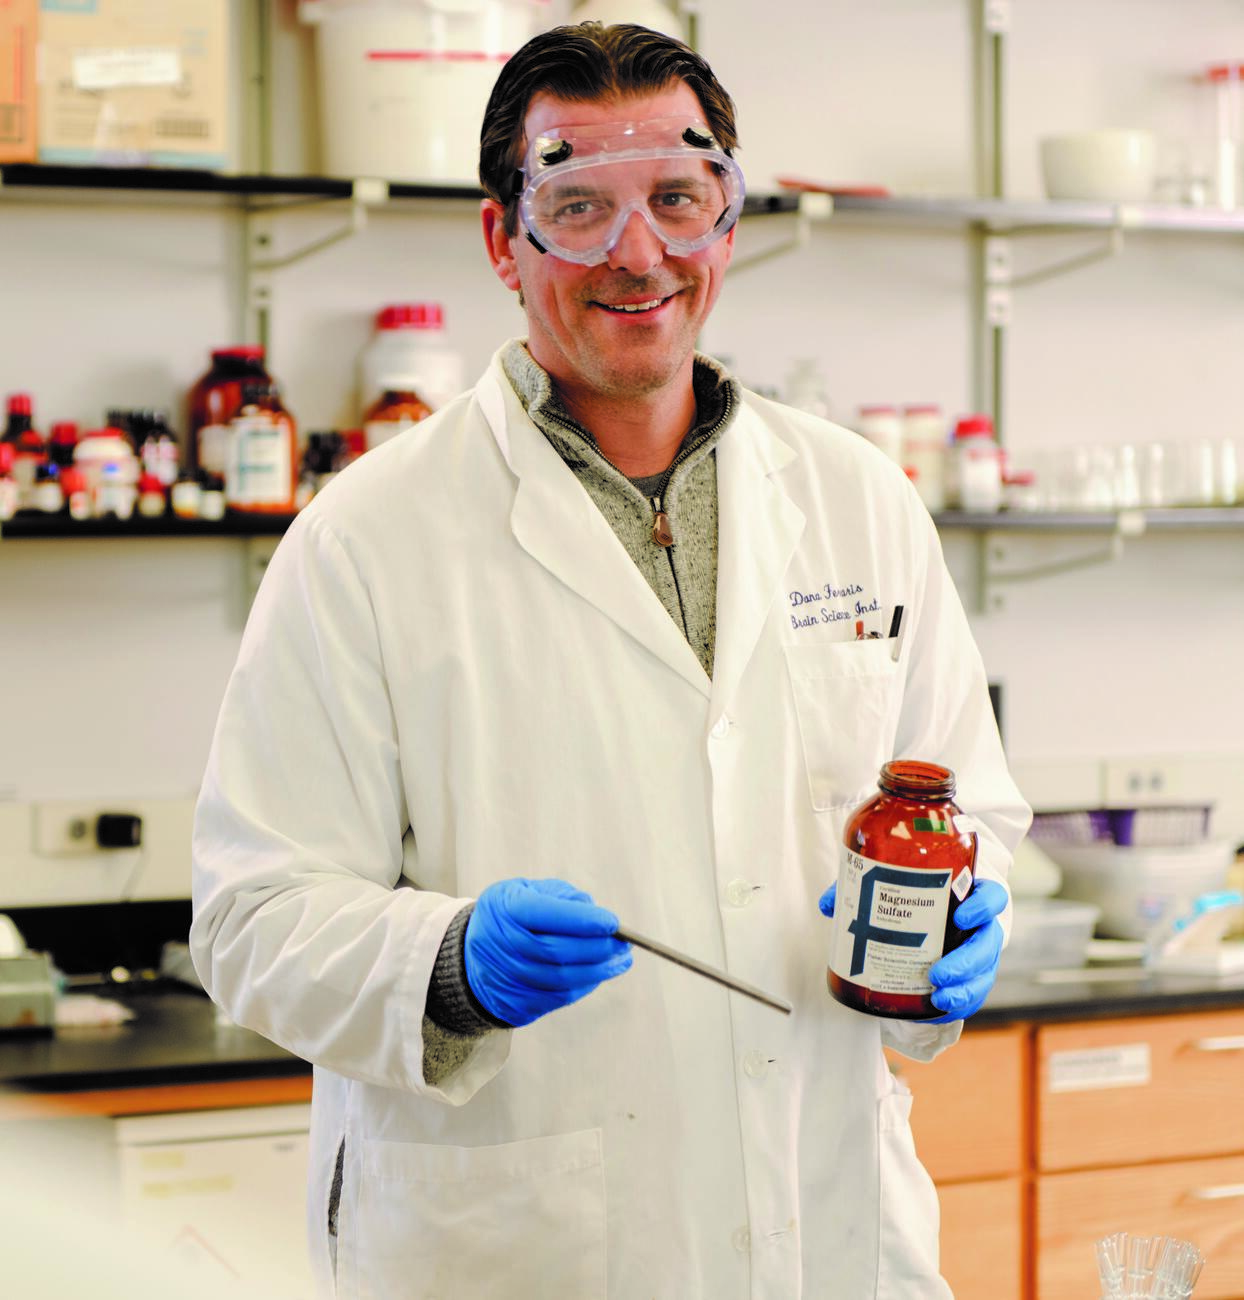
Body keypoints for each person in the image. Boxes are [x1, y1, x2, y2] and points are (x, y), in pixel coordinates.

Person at [191, 21, 1031, 1299]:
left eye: (677, 201)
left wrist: (975, 910)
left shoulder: (859, 501)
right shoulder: (364, 539)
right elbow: (251, 918)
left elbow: (969, 807)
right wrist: (449, 964)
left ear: (727, 225)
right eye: (576, 206)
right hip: (520, 1246)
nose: (637, 255)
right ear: (501, 241)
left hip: (828, 1224)